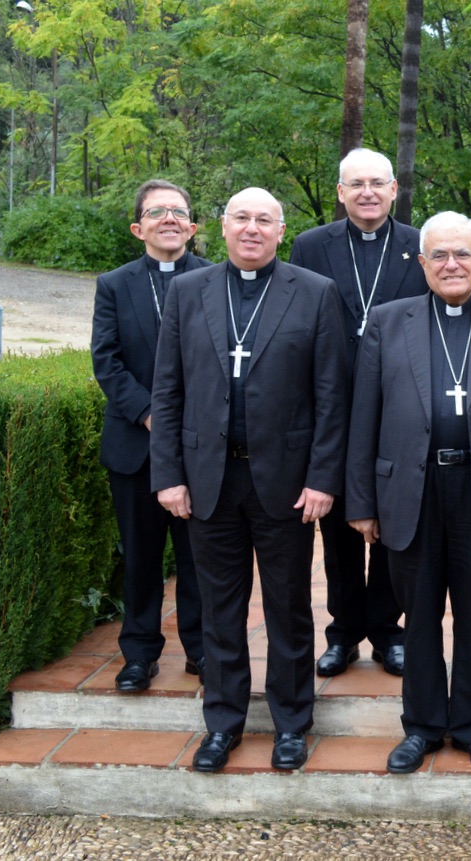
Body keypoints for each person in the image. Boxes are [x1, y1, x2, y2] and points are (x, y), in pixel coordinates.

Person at [151, 187, 350, 773]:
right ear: (221, 226)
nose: (253, 229)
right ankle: (222, 723)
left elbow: (332, 397)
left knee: (289, 607)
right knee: (220, 609)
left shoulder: (315, 294)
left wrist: (323, 478)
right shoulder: (188, 292)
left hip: (286, 483)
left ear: (281, 231)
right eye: (242, 218)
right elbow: (168, 391)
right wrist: (169, 475)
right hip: (208, 479)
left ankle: (292, 724)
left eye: (265, 220)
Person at [346, 211, 471, 774]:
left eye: (462, 254)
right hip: (411, 488)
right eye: (440, 255)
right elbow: (365, 417)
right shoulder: (388, 321)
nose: (451, 264)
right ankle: (423, 726)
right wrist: (361, 501)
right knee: (421, 612)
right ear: (422, 262)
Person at [289, 148, 428, 679]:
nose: (367, 192)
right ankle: (344, 631)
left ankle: (387, 631)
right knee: (340, 530)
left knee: (395, 524)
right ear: (340, 192)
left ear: (395, 190)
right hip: (333, 409)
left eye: (378, 183)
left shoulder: (420, 246)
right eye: (356, 184)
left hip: (400, 410)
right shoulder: (310, 246)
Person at [92, 179, 211, 692]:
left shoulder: (217, 278)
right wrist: (149, 414)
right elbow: (107, 359)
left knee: (199, 557)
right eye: (157, 211)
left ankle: (204, 649)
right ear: (139, 226)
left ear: (193, 225)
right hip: (135, 446)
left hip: (202, 449)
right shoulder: (114, 284)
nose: (169, 218)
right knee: (140, 556)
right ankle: (138, 654)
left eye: (178, 211)